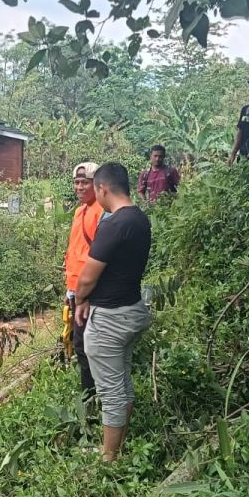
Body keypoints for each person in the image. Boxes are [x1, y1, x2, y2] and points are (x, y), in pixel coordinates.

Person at [74, 162, 153, 461]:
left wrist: (81, 298)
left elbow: (88, 276)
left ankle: (109, 456)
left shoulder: (114, 223)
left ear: (102, 189)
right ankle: (118, 442)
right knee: (122, 381)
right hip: (132, 310)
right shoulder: (140, 219)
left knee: (110, 390)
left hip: (111, 318)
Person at [62, 162, 103, 403]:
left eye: (84, 182)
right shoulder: (80, 211)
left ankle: (92, 399)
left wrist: (84, 295)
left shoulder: (100, 211)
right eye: (77, 182)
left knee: (86, 345)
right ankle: (89, 396)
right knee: (79, 344)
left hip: (88, 292)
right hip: (75, 289)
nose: (79, 186)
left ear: (96, 184)